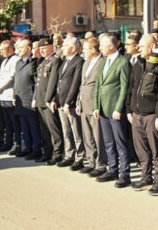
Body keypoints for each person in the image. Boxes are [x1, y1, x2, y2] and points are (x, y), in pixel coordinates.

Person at [128, 34, 158, 195]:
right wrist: (128, 109)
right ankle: (146, 176)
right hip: (137, 113)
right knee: (141, 148)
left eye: (142, 46)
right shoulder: (138, 64)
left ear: (152, 47)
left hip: (152, 114)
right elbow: (131, 88)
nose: (138, 48)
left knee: (156, 150)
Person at [93, 33, 133, 188]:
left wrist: (119, 108)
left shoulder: (123, 62)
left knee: (120, 142)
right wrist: (96, 106)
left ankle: (125, 174)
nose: (100, 48)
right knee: (108, 142)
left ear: (110, 45)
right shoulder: (103, 62)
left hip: (115, 109)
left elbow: (125, 87)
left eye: (102, 45)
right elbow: (98, 85)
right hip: (103, 108)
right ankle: (113, 169)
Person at [77, 37, 106, 176]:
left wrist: (98, 106)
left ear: (93, 50)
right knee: (87, 135)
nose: (83, 51)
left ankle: (101, 164)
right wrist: (78, 102)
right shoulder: (86, 62)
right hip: (84, 104)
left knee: (97, 136)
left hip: (94, 105)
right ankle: (91, 161)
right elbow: (82, 85)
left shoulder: (102, 62)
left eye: (85, 49)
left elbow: (101, 87)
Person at [54, 37, 84, 169]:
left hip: (70, 103)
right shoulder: (65, 61)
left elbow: (75, 84)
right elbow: (59, 82)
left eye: (65, 46)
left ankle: (80, 157)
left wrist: (68, 102)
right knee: (66, 131)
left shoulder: (79, 61)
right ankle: (69, 155)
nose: (62, 48)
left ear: (72, 48)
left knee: (76, 131)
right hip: (61, 101)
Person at [34, 38, 64, 164]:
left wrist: (49, 99)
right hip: (41, 99)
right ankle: (47, 152)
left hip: (48, 99)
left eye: (44, 48)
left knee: (53, 128)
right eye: (40, 49)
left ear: (52, 47)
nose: (42, 51)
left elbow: (52, 82)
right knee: (45, 129)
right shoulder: (43, 61)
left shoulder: (55, 60)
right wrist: (35, 98)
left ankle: (57, 153)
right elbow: (38, 82)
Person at [12, 39, 41, 160]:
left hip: (29, 98)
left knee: (33, 127)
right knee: (24, 127)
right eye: (18, 47)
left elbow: (36, 82)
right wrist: (14, 95)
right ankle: (27, 147)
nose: (18, 49)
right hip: (20, 99)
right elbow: (16, 80)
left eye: (21, 47)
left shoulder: (33, 62)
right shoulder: (18, 62)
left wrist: (35, 98)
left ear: (29, 49)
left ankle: (36, 149)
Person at [0, 40, 21, 155]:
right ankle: (8, 142)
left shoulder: (15, 60)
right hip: (1, 95)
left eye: (3, 50)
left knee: (14, 122)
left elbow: (12, 76)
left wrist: (1, 87)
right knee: (7, 122)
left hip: (9, 94)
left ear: (9, 49)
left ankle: (17, 143)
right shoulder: (5, 61)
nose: (1, 52)